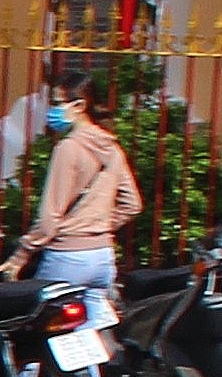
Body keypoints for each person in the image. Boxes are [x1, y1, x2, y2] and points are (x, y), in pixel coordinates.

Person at [9, 68, 140, 289]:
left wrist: (20, 256)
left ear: (79, 106)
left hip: (68, 256)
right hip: (103, 257)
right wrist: (98, 226)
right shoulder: (112, 148)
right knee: (95, 322)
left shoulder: (68, 148)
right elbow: (132, 204)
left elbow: (50, 217)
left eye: (58, 104)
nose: (52, 111)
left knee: (41, 319)